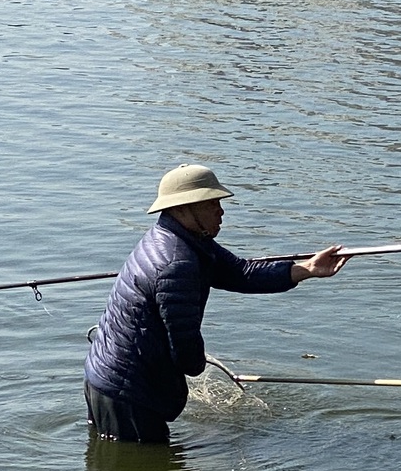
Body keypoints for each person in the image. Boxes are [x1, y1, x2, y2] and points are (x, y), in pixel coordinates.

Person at [83, 165, 344, 444]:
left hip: (104, 378)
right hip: (127, 393)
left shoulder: (184, 240)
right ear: (183, 209)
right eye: (211, 204)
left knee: (112, 466)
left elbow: (241, 272)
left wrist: (306, 269)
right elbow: (185, 345)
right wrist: (195, 365)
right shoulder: (176, 263)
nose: (221, 211)